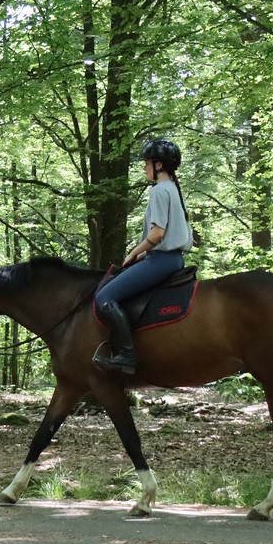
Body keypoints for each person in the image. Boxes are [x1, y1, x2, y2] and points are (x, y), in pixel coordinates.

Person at [93, 138, 193, 373]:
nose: (144, 167)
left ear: (159, 165)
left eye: (147, 163)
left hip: (162, 260)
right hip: (173, 259)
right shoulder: (173, 189)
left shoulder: (159, 190)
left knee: (105, 297)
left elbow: (157, 234)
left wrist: (133, 252)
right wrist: (141, 256)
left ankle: (126, 355)